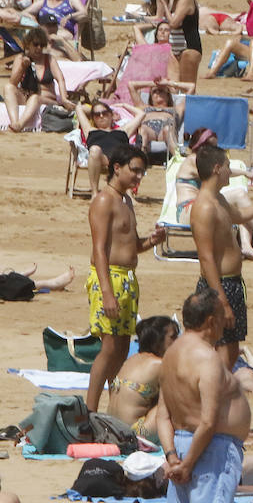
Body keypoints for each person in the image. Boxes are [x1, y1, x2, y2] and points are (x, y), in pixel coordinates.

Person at [156, 287, 253, 503]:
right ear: (211, 321)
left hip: (182, 446)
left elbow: (163, 416)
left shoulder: (170, 355)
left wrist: (172, 458)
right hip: (209, 451)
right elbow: (209, 421)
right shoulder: (208, 359)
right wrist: (189, 462)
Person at [85, 145, 166, 414]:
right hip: (109, 279)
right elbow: (99, 250)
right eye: (135, 170)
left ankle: (112, 408)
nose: (139, 177)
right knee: (108, 349)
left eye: (142, 172)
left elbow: (128, 246)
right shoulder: (104, 201)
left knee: (120, 350)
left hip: (128, 279)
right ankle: (90, 410)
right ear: (117, 168)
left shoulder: (126, 201)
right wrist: (107, 292)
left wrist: (150, 241)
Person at [191, 143, 250, 371]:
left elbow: (241, 215)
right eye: (227, 166)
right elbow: (206, 259)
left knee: (230, 349)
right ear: (217, 168)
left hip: (230, 283)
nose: (229, 171)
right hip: (219, 285)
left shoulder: (219, 199)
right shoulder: (205, 207)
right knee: (220, 351)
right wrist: (222, 302)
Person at [107, 315, 177, 430]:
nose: (177, 341)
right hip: (135, 432)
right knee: (174, 401)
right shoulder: (160, 364)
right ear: (157, 341)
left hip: (112, 428)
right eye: (173, 337)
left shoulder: (132, 359)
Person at [4, 27, 72, 132]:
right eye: (36, 44)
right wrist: (22, 67)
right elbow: (13, 83)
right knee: (8, 88)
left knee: (35, 98)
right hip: (26, 98)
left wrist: (64, 98)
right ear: (28, 44)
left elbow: (60, 79)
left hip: (47, 100)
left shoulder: (49, 59)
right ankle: (14, 122)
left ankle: (20, 125)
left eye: (42, 45)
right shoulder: (20, 58)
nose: (39, 48)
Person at [156, 0, 202, 83]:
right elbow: (160, 18)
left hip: (189, 49)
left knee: (186, 88)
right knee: (174, 87)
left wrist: (165, 4)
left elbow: (174, 23)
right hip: (176, 49)